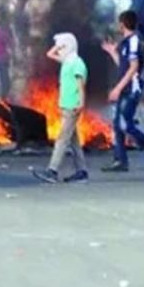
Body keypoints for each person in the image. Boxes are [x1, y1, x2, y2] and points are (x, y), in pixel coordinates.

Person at [101, 11, 144, 173]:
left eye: (119, 23)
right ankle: (120, 160)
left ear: (122, 24)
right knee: (117, 125)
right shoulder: (125, 43)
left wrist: (117, 89)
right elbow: (123, 66)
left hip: (131, 89)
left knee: (124, 125)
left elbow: (134, 68)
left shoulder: (134, 41)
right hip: (125, 88)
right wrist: (113, 52)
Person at [32, 33, 89, 184]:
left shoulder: (77, 63)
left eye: (62, 47)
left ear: (69, 47)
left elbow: (81, 85)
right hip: (65, 105)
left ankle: (52, 171)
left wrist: (81, 103)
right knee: (73, 141)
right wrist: (59, 44)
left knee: (62, 139)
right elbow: (50, 54)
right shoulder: (67, 61)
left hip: (72, 107)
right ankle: (82, 172)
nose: (59, 50)